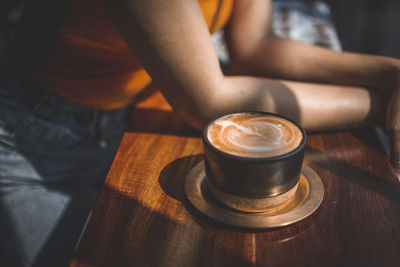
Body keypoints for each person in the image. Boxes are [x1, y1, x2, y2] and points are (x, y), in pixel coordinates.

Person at [0, 0, 399, 266]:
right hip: (31, 144)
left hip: (132, 118)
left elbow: (254, 45)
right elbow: (208, 101)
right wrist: (382, 108)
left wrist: (391, 74)